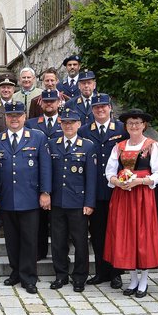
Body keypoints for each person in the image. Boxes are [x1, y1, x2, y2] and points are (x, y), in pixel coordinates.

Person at [105, 108, 158, 298]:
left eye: (137, 123)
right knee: (126, 234)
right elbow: (109, 172)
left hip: (143, 197)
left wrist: (139, 181)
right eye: (130, 123)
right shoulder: (119, 146)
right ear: (126, 126)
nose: (134, 126)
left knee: (143, 234)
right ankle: (132, 279)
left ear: (144, 125)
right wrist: (118, 182)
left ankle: (144, 280)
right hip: (123, 196)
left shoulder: (152, 146)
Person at [0, 102, 51, 294]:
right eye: (10, 115)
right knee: (12, 239)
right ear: (6, 118)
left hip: (30, 198)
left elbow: (45, 167)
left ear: (24, 117)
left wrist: (45, 192)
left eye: (18, 115)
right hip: (7, 198)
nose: (14, 119)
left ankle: (29, 277)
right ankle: (15, 272)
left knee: (29, 240)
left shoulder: (37, 137)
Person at [78, 94, 128, 289]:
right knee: (97, 235)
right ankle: (101, 272)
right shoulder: (84, 130)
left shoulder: (122, 130)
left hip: (117, 191)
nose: (100, 110)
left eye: (103, 107)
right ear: (92, 110)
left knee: (116, 233)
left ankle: (116, 273)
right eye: (96, 107)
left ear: (110, 108)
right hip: (94, 192)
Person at [47, 107, 96, 292]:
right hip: (58, 201)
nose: (68, 125)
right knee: (58, 242)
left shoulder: (88, 146)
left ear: (79, 124)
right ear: (60, 124)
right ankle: (61, 275)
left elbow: (91, 178)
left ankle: (79, 277)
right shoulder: (52, 144)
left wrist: (89, 203)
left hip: (78, 202)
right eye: (65, 122)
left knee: (80, 241)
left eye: (72, 122)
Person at [25, 89, 64, 260]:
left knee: (58, 221)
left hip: (61, 177)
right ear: (40, 103)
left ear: (58, 103)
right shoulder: (31, 124)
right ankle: (39, 252)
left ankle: (59, 254)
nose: (49, 104)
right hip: (37, 176)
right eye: (46, 101)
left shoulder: (66, 122)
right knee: (39, 220)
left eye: (52, 101)